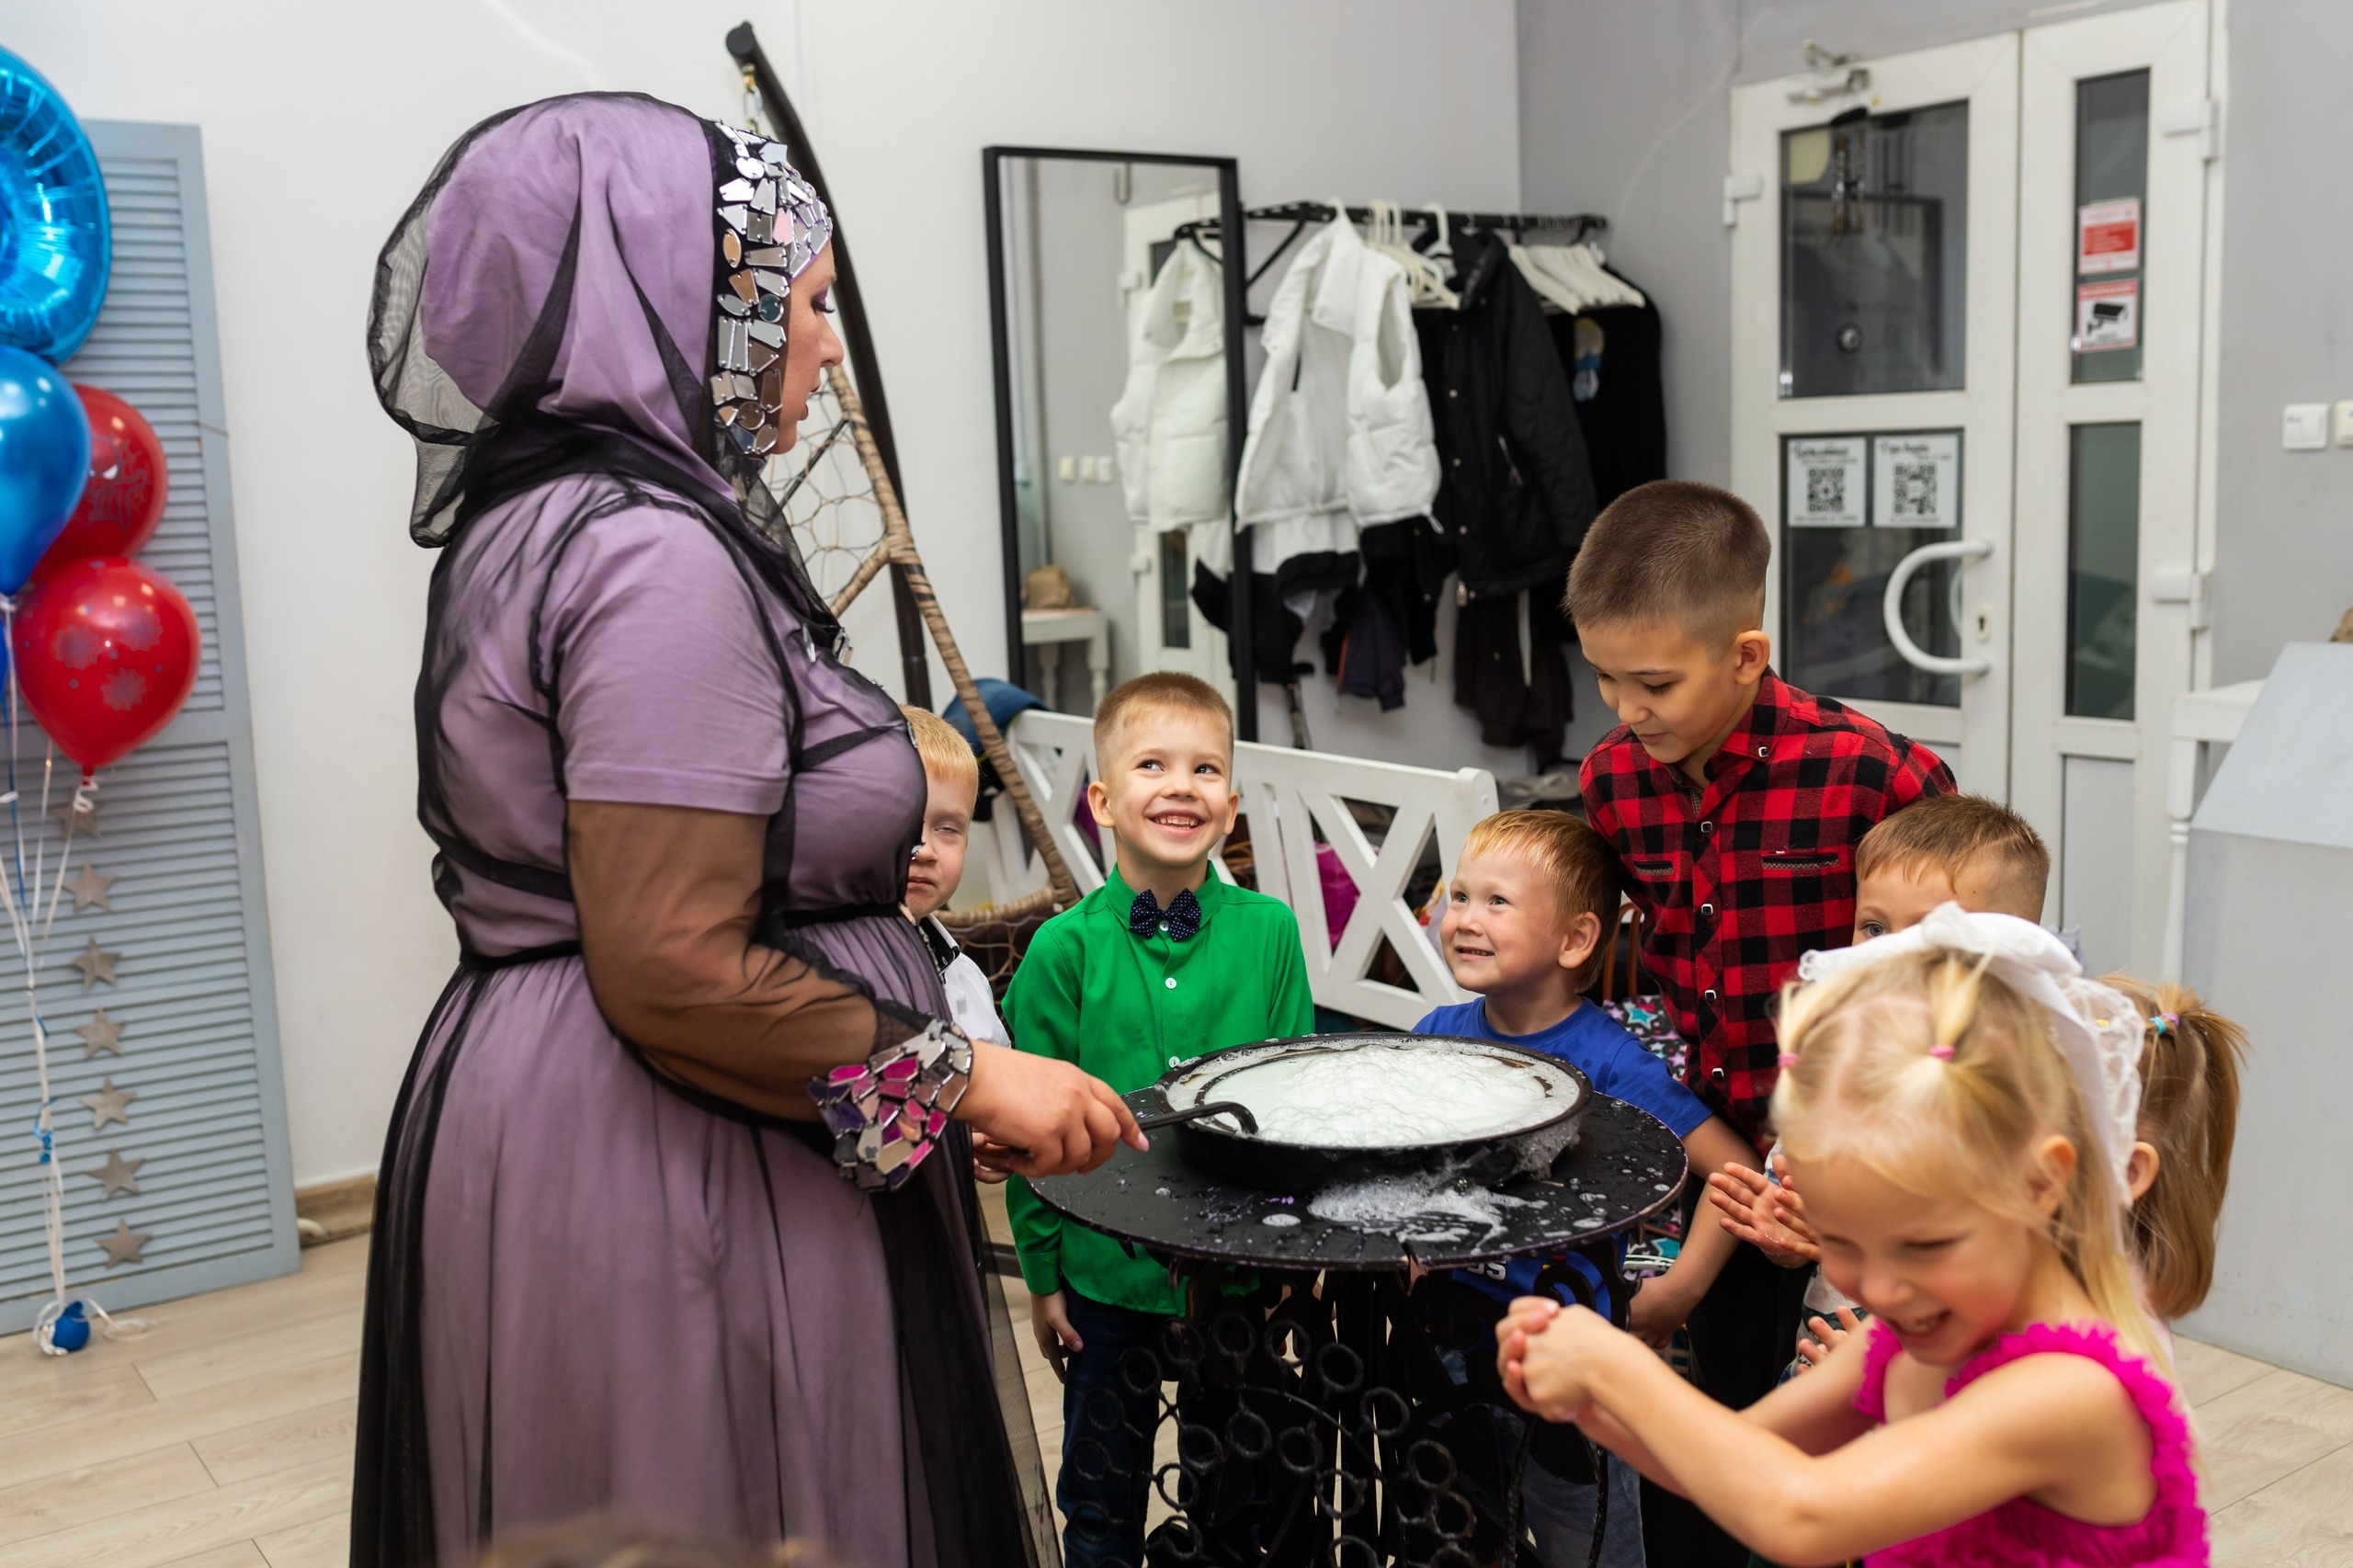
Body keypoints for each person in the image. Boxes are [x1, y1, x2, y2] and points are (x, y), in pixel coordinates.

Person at [355, 95, 1141, 1568]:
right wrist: (965, 1078)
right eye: (810, 305)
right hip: (681, 1153)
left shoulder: (549, 515)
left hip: (617, 1116)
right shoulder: (649, 553)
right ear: (675, 295)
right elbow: (674, 968)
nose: (827, 348)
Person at [1495, 910, 2207, 1567]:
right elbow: (1742, 1453)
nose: (1882, 1288)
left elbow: (1800, 1515)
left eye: (1925, 1246)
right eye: (1841, 1242)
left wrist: (1616, 1367)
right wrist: (1589, 1397)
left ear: (2044, 1183)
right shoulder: (1914, 1328)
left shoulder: (2070, 1390)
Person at [1571, 479, 1953, 1562]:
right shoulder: (1611, 780)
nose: (1622, 706)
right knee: (1716, 1397)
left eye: (1651, 681)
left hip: (1850, 1148)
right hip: (1712, 1147)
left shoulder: (1870, 770)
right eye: (1602, 675)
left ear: (1746, 654)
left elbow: (1960, 947)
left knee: (1845, 1406)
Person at [1002, 671, 1315, 1568]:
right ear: (1102, 798)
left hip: (1239, 1266)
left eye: (1205, 768)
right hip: (1106, 1272)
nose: (1181, 784)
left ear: (1230, 802)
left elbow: (1299, 1098)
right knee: (1101, 1490)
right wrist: (1042, 1272)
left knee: (1235, 1491)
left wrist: (1295, 1253)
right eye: (1152, 763)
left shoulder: (1272, 933)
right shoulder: (1062, 949)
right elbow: (1029, 1134)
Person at [1414, 809, 1750, 1567]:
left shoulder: (1609, 1063)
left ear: (1574, 940)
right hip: (1449, 1344)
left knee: (1589, 1544)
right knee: (1456, 1535)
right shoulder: (1437, 1030)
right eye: (1460, 895)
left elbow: (1737, 1172)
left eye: (1497, 903)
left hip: (1574, 1363)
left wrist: (1680, 1290)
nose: (1463, 919)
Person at [1709, 795, 2055, 1373]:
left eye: (1926, 936)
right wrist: (1789, 1226)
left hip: (1953, 1376)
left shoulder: (2020, 1091)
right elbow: (1802, 1201)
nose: (1887, 953)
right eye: (1874, 927)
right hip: (1828, 1354)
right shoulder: (1834, 1061)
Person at [900, 704, 1011, 1049]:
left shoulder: (967, 977)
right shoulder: (826, 978)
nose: (926, 849)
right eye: (902, 820)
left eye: (947, 828)